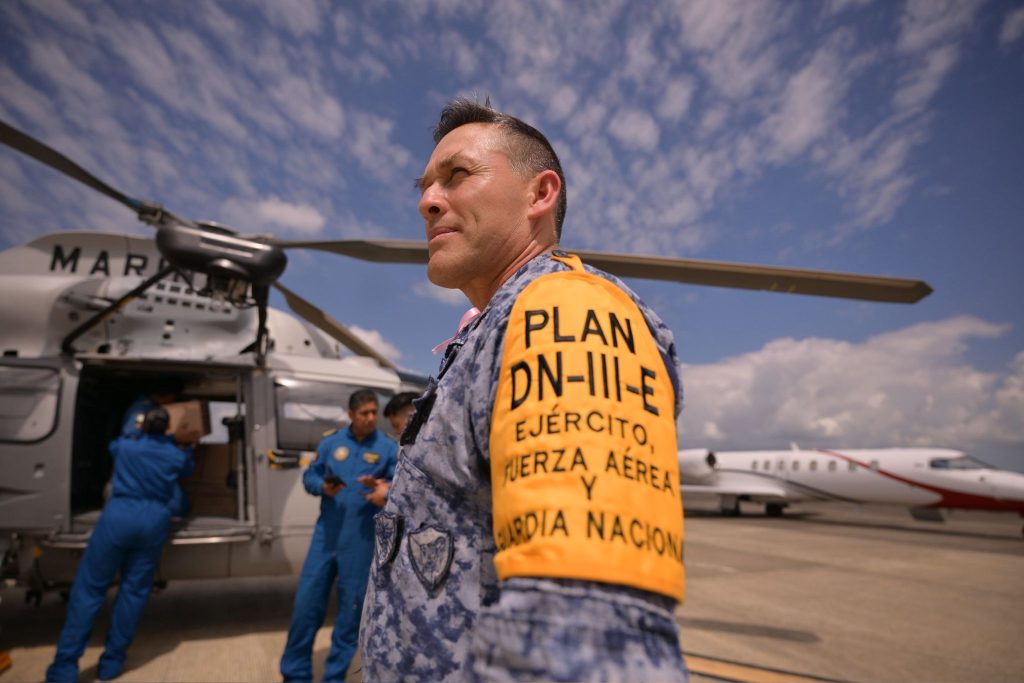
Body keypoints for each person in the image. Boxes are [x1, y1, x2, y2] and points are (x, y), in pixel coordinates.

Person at [360, 98, 688, 682]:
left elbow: (581, 641)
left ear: (541, 194)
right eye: (425, 185)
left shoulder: (566, 313)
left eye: (458, 175)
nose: (427, 201)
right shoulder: (494, 330)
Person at [46, 407, 195, 682]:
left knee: (89, 589)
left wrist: (137, 429)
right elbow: (189, 467)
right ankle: (112, 663)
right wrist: (182, 443)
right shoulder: (175, 455)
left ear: (144, 426)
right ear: (166, 428)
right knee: (134, 592)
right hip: (154, 519)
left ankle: (64, 668)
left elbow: (112, 445)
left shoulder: (127, 447)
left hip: (119, 515)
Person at [280, 389, 398, 682]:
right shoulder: (331, 443)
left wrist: (383, 493)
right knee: (306, 607)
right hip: (325, 538)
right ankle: (295, 674)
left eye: (374, 412)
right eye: (364, 413)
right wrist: (323, 486)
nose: (371, 418)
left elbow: (399, 489)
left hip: (360, 542)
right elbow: (310, 476)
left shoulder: (387, 448)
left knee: (350, 615)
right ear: (351, 414)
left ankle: (333, 677)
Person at [118, 389, 194, 518]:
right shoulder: (174, 454)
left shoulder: (124, 447)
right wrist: (186, 447)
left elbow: (128, 438)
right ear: (168, 427)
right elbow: (187, 470)